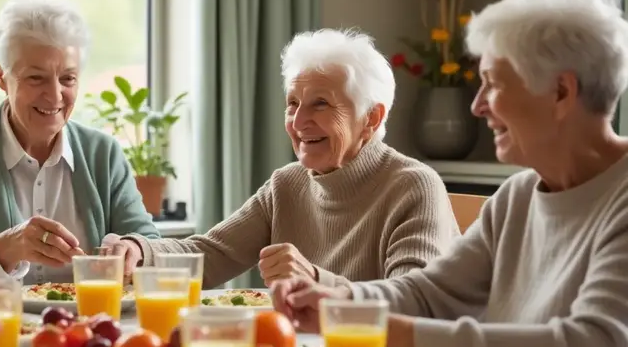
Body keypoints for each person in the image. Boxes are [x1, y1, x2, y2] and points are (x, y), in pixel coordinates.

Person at [272, 0, 628, 347]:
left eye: (492, 84)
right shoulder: (516, 198)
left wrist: (406, 334)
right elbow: (430, 294)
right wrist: (341, 304)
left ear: (560, 91)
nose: (477, 105)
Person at [102, 29, 458, 287]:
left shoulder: (413, 186)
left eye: (320, 103)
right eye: (292, 103)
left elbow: (413, 300)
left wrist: (317, 281)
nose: (299, 122)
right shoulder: (287, 184)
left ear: (371, 118)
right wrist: (140, 250)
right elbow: (210, 255)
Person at [0, 0, 159, 283]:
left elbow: (149, 241)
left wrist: (135, 248)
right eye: (36, 78)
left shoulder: (102, 153)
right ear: (0, 76)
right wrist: (6, 248)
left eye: (68, 78)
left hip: (91, 326)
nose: (55, 95)